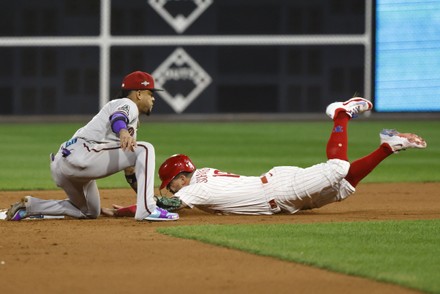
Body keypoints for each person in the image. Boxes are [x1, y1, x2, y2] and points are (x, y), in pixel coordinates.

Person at [101, 97, 427, 217]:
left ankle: (341, 114)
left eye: (170, 184)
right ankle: (389, 145)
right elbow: (168, 202)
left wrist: (129, 209)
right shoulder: (199, 180)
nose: (170, 190)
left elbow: (166, 205)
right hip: (282, 198)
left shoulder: (194, 188)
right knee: (343, 186)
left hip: (280, 189)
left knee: (337, 167)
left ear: (180, 177)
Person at [6, 71, 179, 221]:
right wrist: (123, 132)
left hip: (64, 165)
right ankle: (148, 210)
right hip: (83, 154)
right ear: (139, 93)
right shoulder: (127, 104)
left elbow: (130, 171)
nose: (153, 98)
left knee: (89, 211)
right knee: (146, 148)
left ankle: (30, 206)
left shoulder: (131, 120)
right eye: (151, 93)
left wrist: (150, 197)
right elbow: (118, 118)